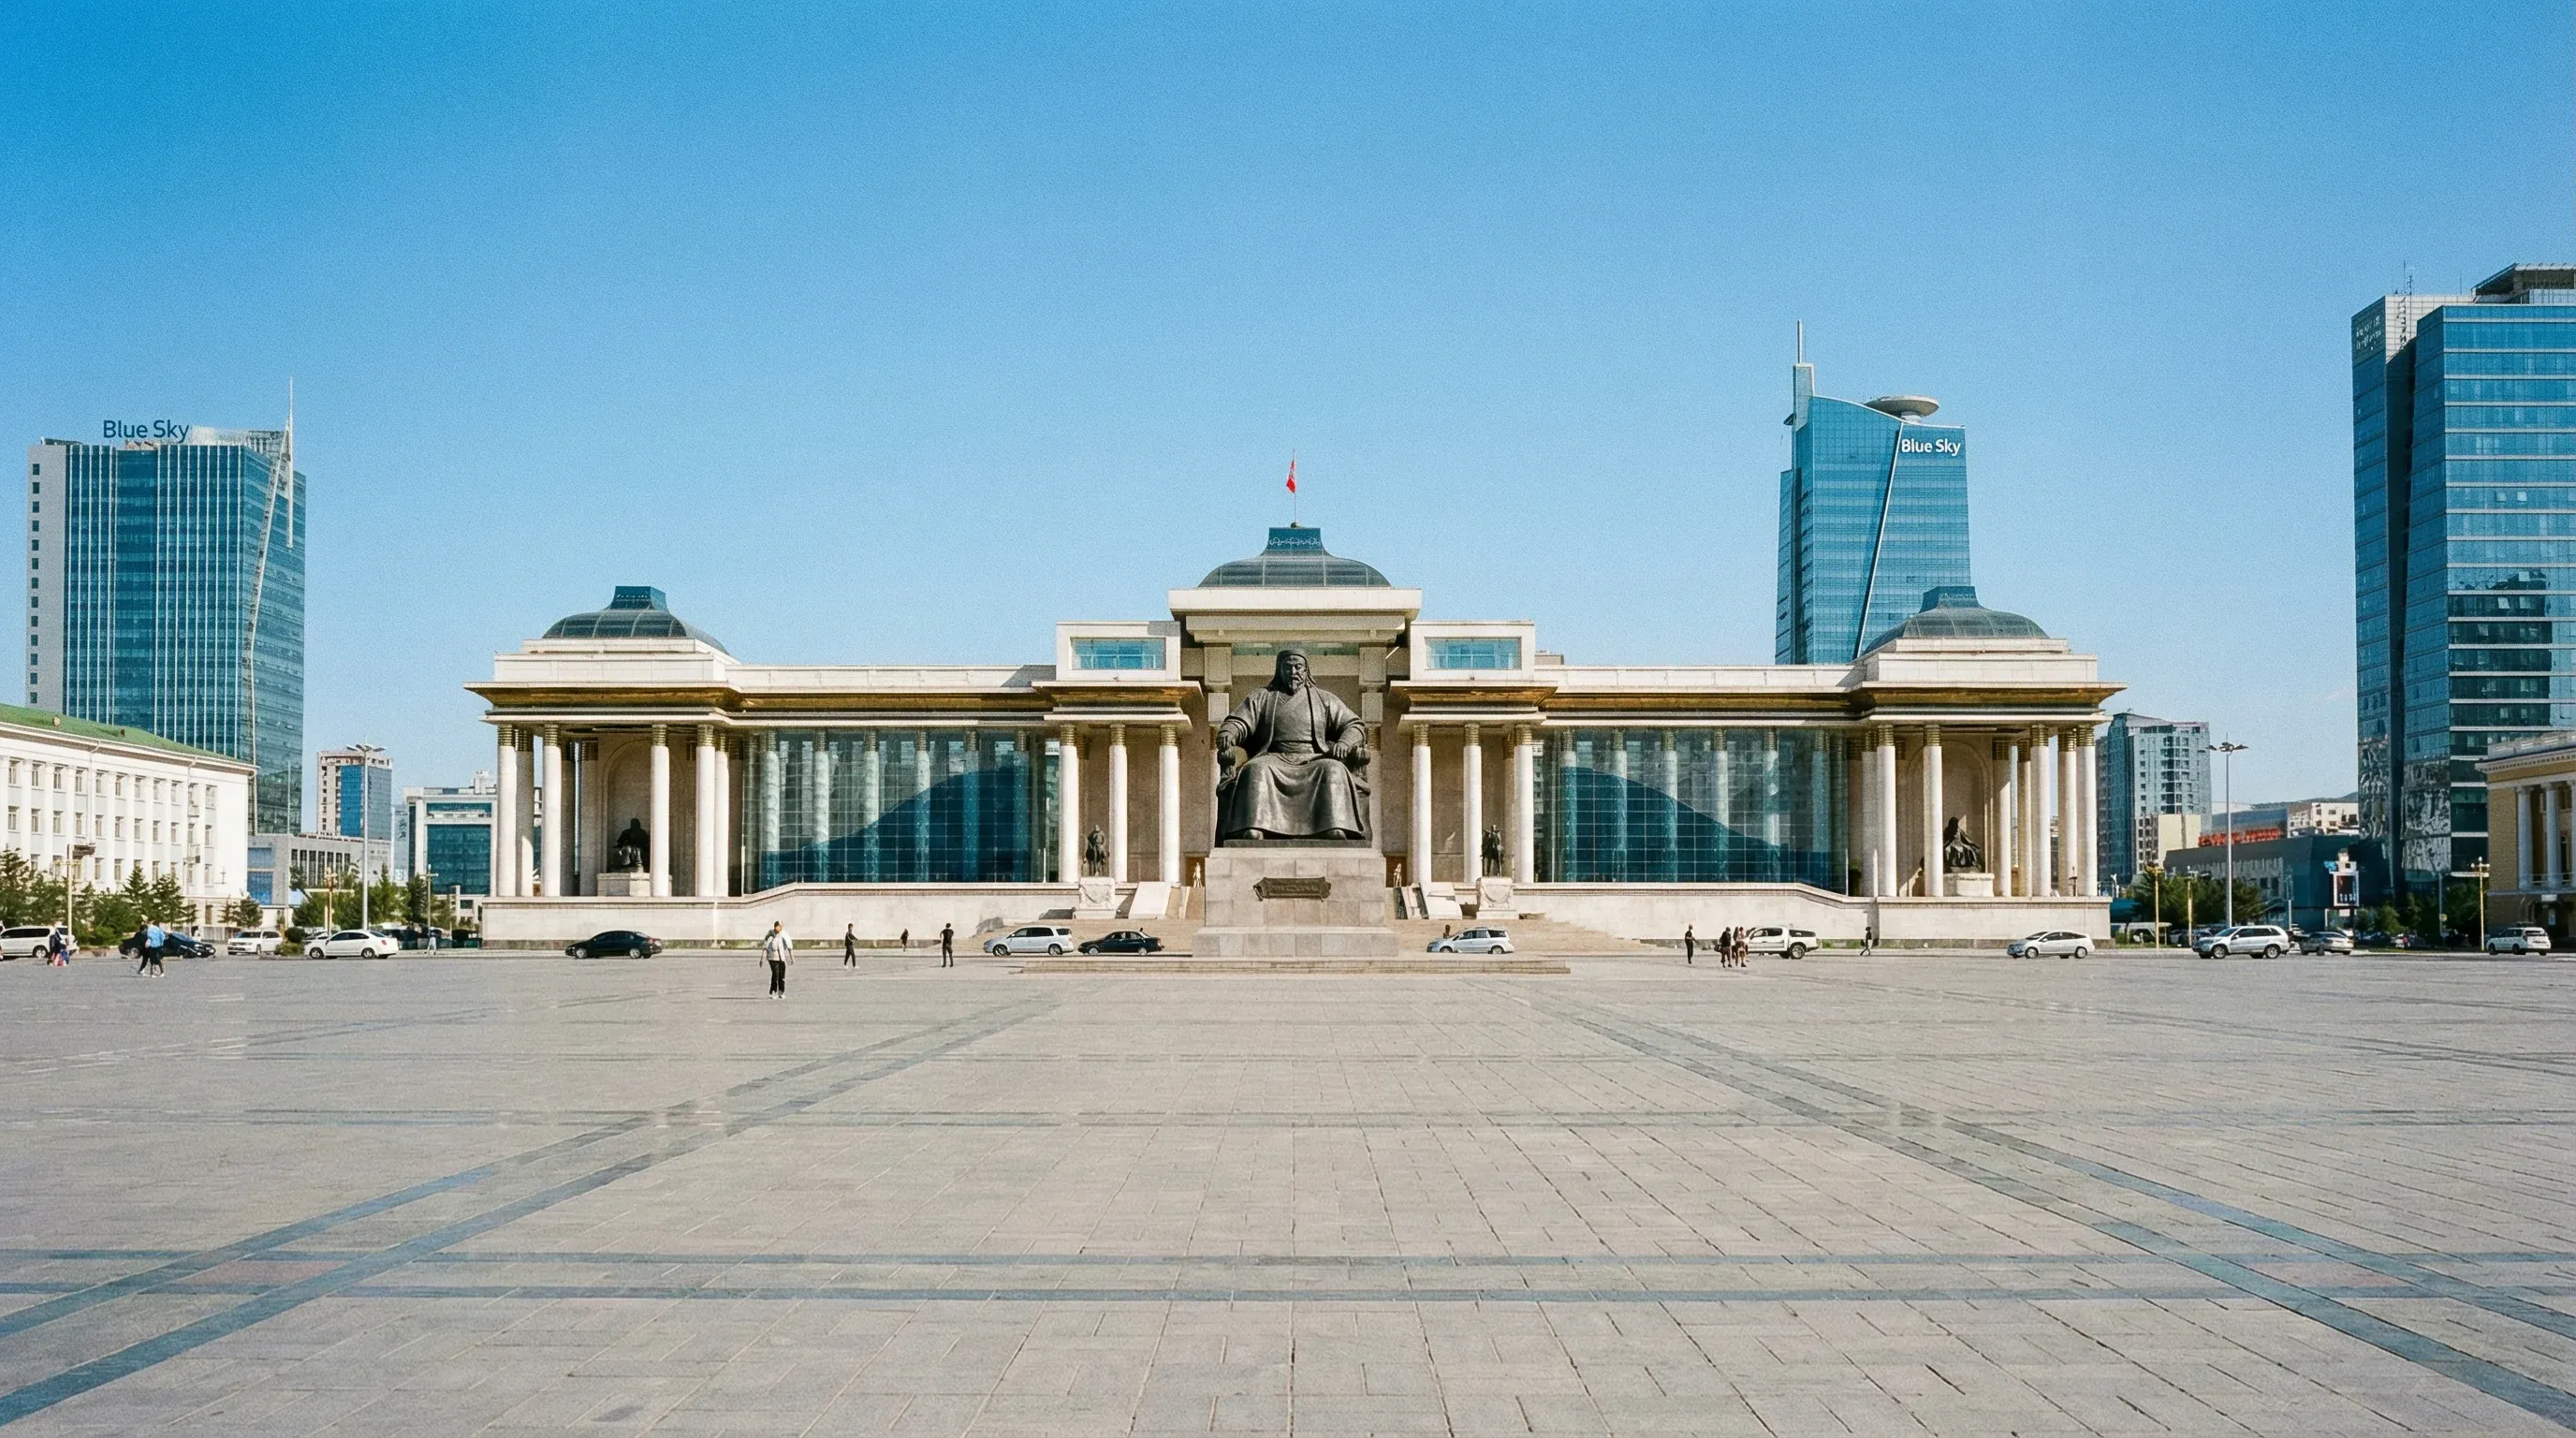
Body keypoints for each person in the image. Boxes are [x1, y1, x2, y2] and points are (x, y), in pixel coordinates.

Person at [760, 922, 792, 997]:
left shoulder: (782, 935)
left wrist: (790, 958)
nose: (780, 928)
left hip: (781, 958)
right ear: (775, 927)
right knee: (775, 974)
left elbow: (787, 946)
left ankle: (781, 991)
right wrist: (762, 959)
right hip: (773, 958)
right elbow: (765, 947)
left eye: (781, 927)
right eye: (779, 926)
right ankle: (773, 992)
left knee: (782, 975)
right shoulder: (770, 935)